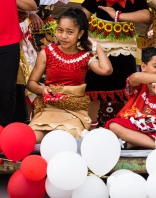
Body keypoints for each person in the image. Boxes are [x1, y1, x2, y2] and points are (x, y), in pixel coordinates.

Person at [82, 0, 151, 127]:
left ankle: (121, 127)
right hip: (98, 52)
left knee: (124, 90)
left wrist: (118, 16)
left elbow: (146, 15)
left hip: (124, 52)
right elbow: (82, 14)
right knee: (94, 92)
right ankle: (93, 128)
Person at [27, 8, 112, 142]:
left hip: (74, 112)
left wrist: (96, 46)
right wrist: (42, 89)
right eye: (60, 30)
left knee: (64, 140)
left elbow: (106, 70)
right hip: (49, 108)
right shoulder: (47, 52)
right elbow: (31, 83)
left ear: (80, 34)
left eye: (70, 32)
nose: (64, 36)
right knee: (32, 138)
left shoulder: (85, 56)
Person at [106, 47, 156, 149]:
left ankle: (134, 143)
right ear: (143, 67)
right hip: (136, 126)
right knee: (113, 125)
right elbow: (135, 77)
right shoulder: (138, 84)